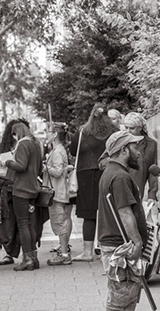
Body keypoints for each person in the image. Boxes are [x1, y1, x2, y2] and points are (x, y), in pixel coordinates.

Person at [98, 130, 155, 311]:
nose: (139, 153)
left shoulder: (112, 172)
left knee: (130, 285)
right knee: (120, 288)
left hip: (117, 241)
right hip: (120, 243)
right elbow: (124, 212)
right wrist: (137, 242)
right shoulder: (120, 176)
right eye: (134, 148)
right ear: (123, 150)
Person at [69, 104, 117, 261]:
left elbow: (72, 150)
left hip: (86, 176)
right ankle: (108, 252)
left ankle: (88, 252)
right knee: (109, 212)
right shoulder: (114, 131)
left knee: (89, 215)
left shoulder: (83, 131)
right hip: (108, 173)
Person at [0, 123, 43, 271]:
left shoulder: (22, 144)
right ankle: (34, 258)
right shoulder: (36, 144)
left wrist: (6, 162)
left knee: (23, 224)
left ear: (17, 134)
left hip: (21, 189)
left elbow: (21, 165)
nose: (14, 138)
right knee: (30, 223)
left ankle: (27, 259)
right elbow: (39, 167)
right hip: (33, 188)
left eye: (14, 135)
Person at [45, 123, 74, 266]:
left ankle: (64, 254)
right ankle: (64, 252)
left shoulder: (56, 151)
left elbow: (56, 171)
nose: (46, 134)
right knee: (60, 221)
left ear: (55, 134)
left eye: (48, 131)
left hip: (56, 192)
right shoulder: (59, 149)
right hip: (59, 190)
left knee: (59, 222)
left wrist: (45, 166)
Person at [122, 113, 158, 203]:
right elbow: (103, 161)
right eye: (126, 128)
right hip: (120, 186)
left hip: (137, 192)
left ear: (140, 128)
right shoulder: (120, 141)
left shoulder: (151, 144)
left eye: (132, 128)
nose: (128, 131)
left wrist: (152, 194)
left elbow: (152, 171)